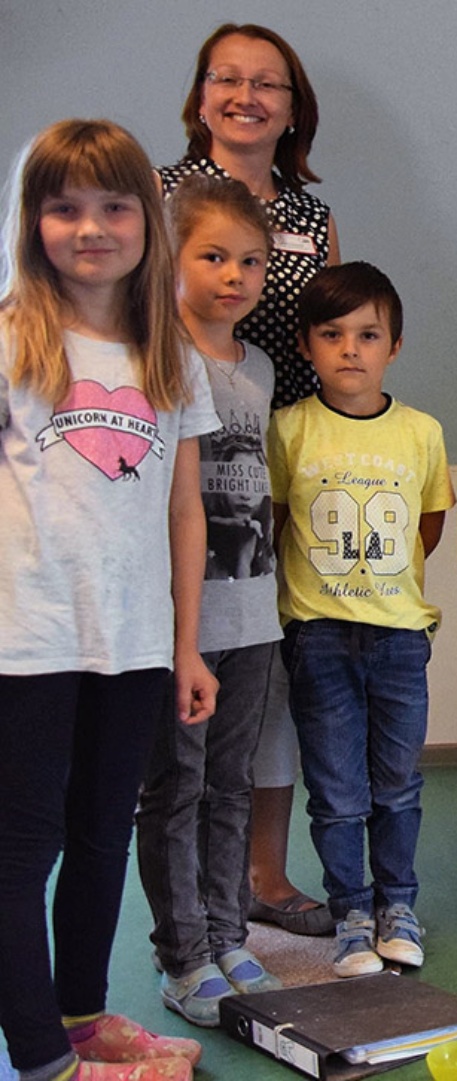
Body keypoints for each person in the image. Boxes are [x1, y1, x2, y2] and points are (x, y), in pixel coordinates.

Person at [1, 118, 217, 1081]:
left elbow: (183, 509)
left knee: (100, 832)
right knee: (22, 848)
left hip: (131, 643)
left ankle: (82, 1014)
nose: (91, 227)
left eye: (114, 206)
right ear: (32, 221)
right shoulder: (12, 337)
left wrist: (188, 645)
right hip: (26, 641)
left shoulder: (169, 353)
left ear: (147, 222)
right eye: (64, 208)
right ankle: (42, 1056)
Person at [158, 22, 344, 938]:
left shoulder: (310, 220)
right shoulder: (156, 198)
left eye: (267, 82)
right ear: (200, 97)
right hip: (183, 454)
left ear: (292, 107)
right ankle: (188, 902)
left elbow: (336, 334)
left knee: (270, 667)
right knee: (194, 680)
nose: (246, 95)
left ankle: (262, 877)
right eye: (226, 79)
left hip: (284, 451)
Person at [268, 262, 453, 977]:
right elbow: (279, 522)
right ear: (307, 345)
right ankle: (350, 911)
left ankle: (397, 904)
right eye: (332, 334)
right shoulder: (288, 429)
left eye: (368, 334)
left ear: (394, 346)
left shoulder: (421, 432)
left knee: (399, 781)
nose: (351, 349)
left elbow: (426, 527)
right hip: (317, 637)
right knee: (337, 788)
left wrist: (381, 589)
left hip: (401, 637)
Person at [134, 176, 283, 1031]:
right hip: (181, 617)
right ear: (172, 256)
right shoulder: (157, 358)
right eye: (214, 255)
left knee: (233, 781)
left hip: (254, 613)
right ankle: (181, 952)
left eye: (250, 260)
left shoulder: (257, 366)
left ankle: (227, 931)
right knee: (175, 786)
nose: (234, 274)